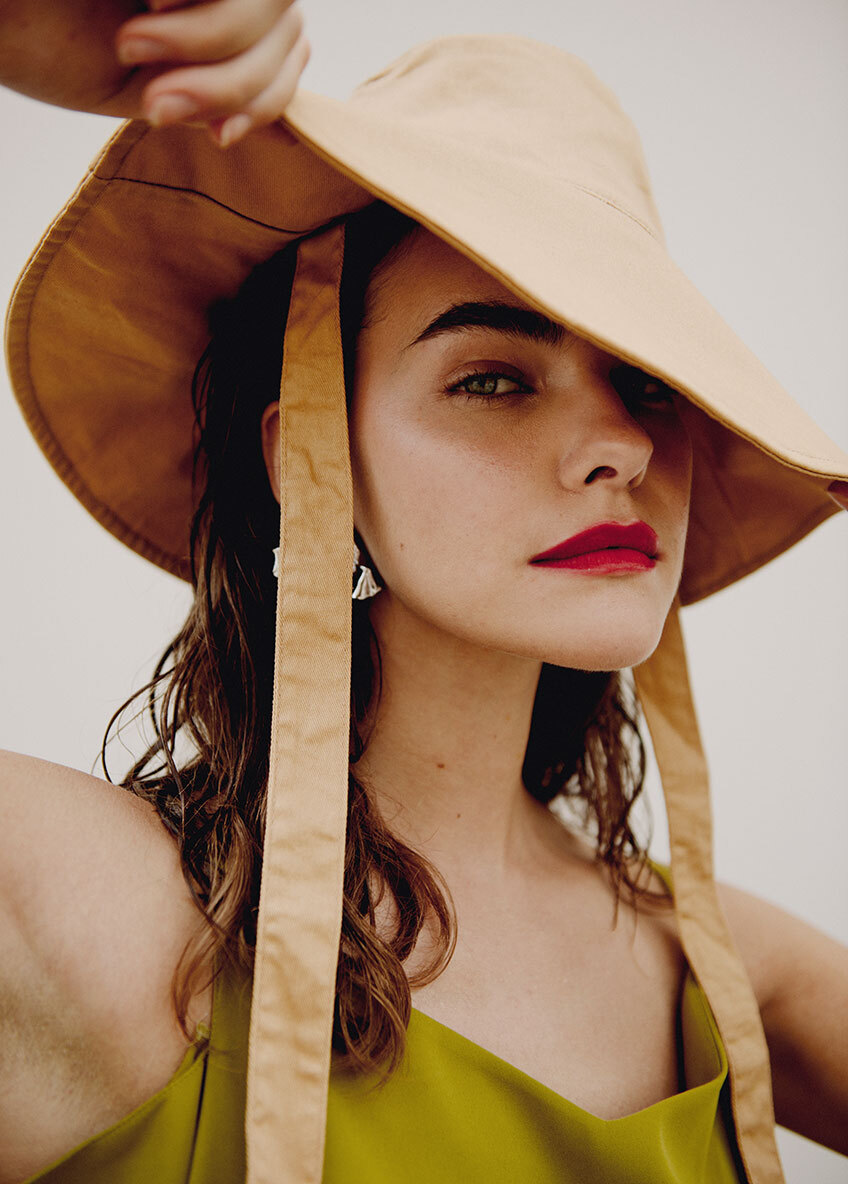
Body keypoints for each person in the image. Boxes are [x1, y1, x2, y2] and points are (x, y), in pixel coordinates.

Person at [1, 3, 847, 1183]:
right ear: (307, 456)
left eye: (648, 382)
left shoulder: (719, 966)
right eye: (493, 378)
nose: (621, 445)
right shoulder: (92, 906)